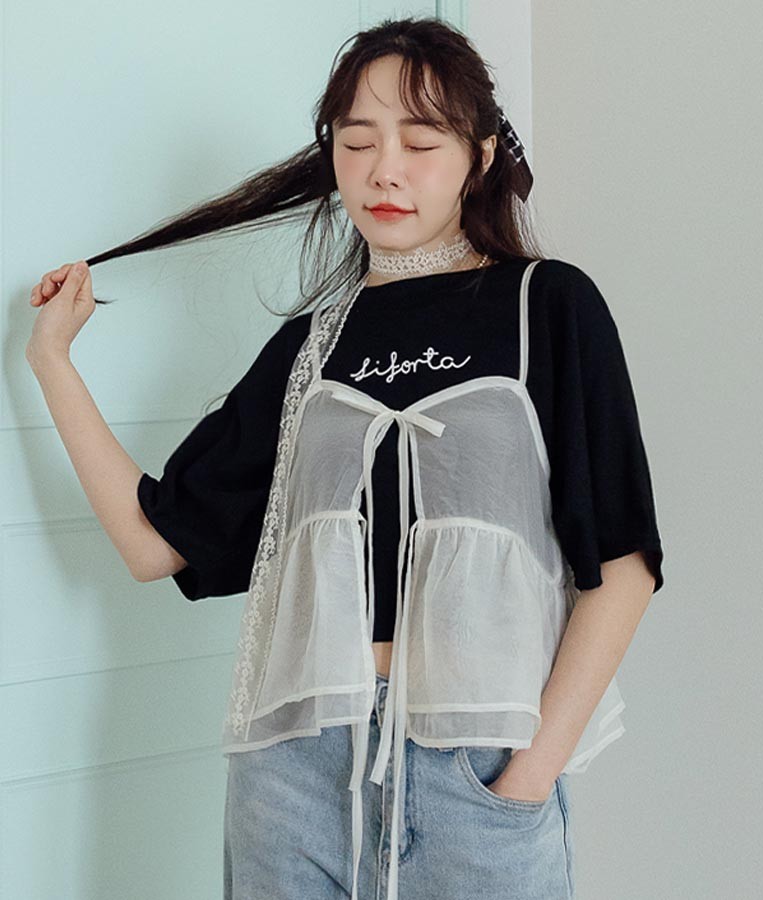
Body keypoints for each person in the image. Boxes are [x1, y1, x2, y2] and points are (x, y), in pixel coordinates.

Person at [25, 16, 664, 900]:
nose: (384, 169)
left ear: (480, 156)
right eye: (357, 141)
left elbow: (624, 566)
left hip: (478, 775)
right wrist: (52, 362)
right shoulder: (309, 348)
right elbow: (152, 543)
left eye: (420, 142)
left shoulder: (547, 306)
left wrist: (524, 780)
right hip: (294, 775)